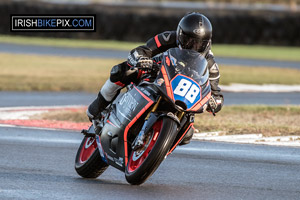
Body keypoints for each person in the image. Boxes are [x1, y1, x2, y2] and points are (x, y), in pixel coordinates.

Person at [87, 12, 224, 124]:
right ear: (180, 35)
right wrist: (140, 60)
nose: (193, 47)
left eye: (199, 44)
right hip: (157, 74)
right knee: (122, 71)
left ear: (207, 43)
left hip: (183, 98)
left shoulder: (211, 65)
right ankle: (97, 107)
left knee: (187, 135)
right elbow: (142, 50)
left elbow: (217, 96)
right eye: (189, 41)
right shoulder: (168, 38)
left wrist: (214, 102)